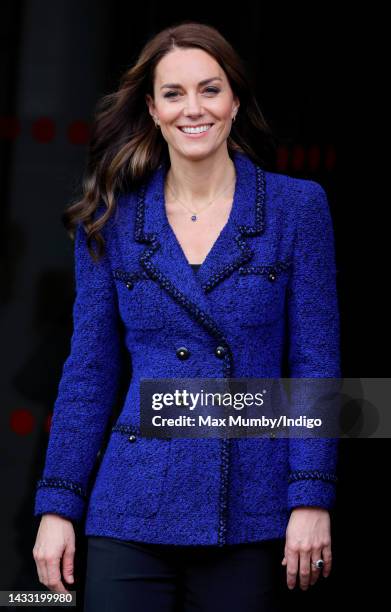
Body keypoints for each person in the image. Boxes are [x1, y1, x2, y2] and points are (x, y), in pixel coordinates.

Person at [32, 21, 340, 612]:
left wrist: (311, 497)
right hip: (131, 502)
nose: (192, 109)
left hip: (250, 506)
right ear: (151, 108)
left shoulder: (297, 208)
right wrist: (59, 503)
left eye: (209, 89)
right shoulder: (112, 219)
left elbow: (315, 363)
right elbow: (90, 373)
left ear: (234, 102)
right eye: (173, 93)